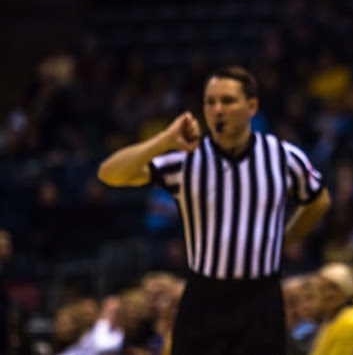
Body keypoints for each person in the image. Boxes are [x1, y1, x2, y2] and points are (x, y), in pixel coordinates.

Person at [98, 65, 332, 355]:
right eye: (210, 102)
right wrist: (164, 140)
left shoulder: (283, 156)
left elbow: (319, 200)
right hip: (204, 298)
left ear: (252, 106)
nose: (217, 109)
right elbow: (109, 174)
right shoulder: (186, 160)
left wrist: (282, 240)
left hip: (261, 299)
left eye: (228, 101)